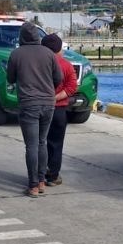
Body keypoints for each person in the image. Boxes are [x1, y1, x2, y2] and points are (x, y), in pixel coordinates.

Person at [6, 21, 61, 197]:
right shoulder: (49, 53)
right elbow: (58, 78)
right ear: (38, 36)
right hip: (48, 103)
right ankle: (42, 181)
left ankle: (33, 186)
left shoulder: (16, 54)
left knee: (31, 146)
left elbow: (11, 78)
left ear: (21, 36)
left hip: (29, 103)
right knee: (42, 142)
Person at [42, 33, 78, 187]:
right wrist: (56, 98)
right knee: (56, 143)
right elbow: (72, 86)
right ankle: (53, 176)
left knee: (39, 142)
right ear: (59, 48)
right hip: (59, 110)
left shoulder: (39, 64)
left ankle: (39, 174)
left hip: (40, 107)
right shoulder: (66, 65)